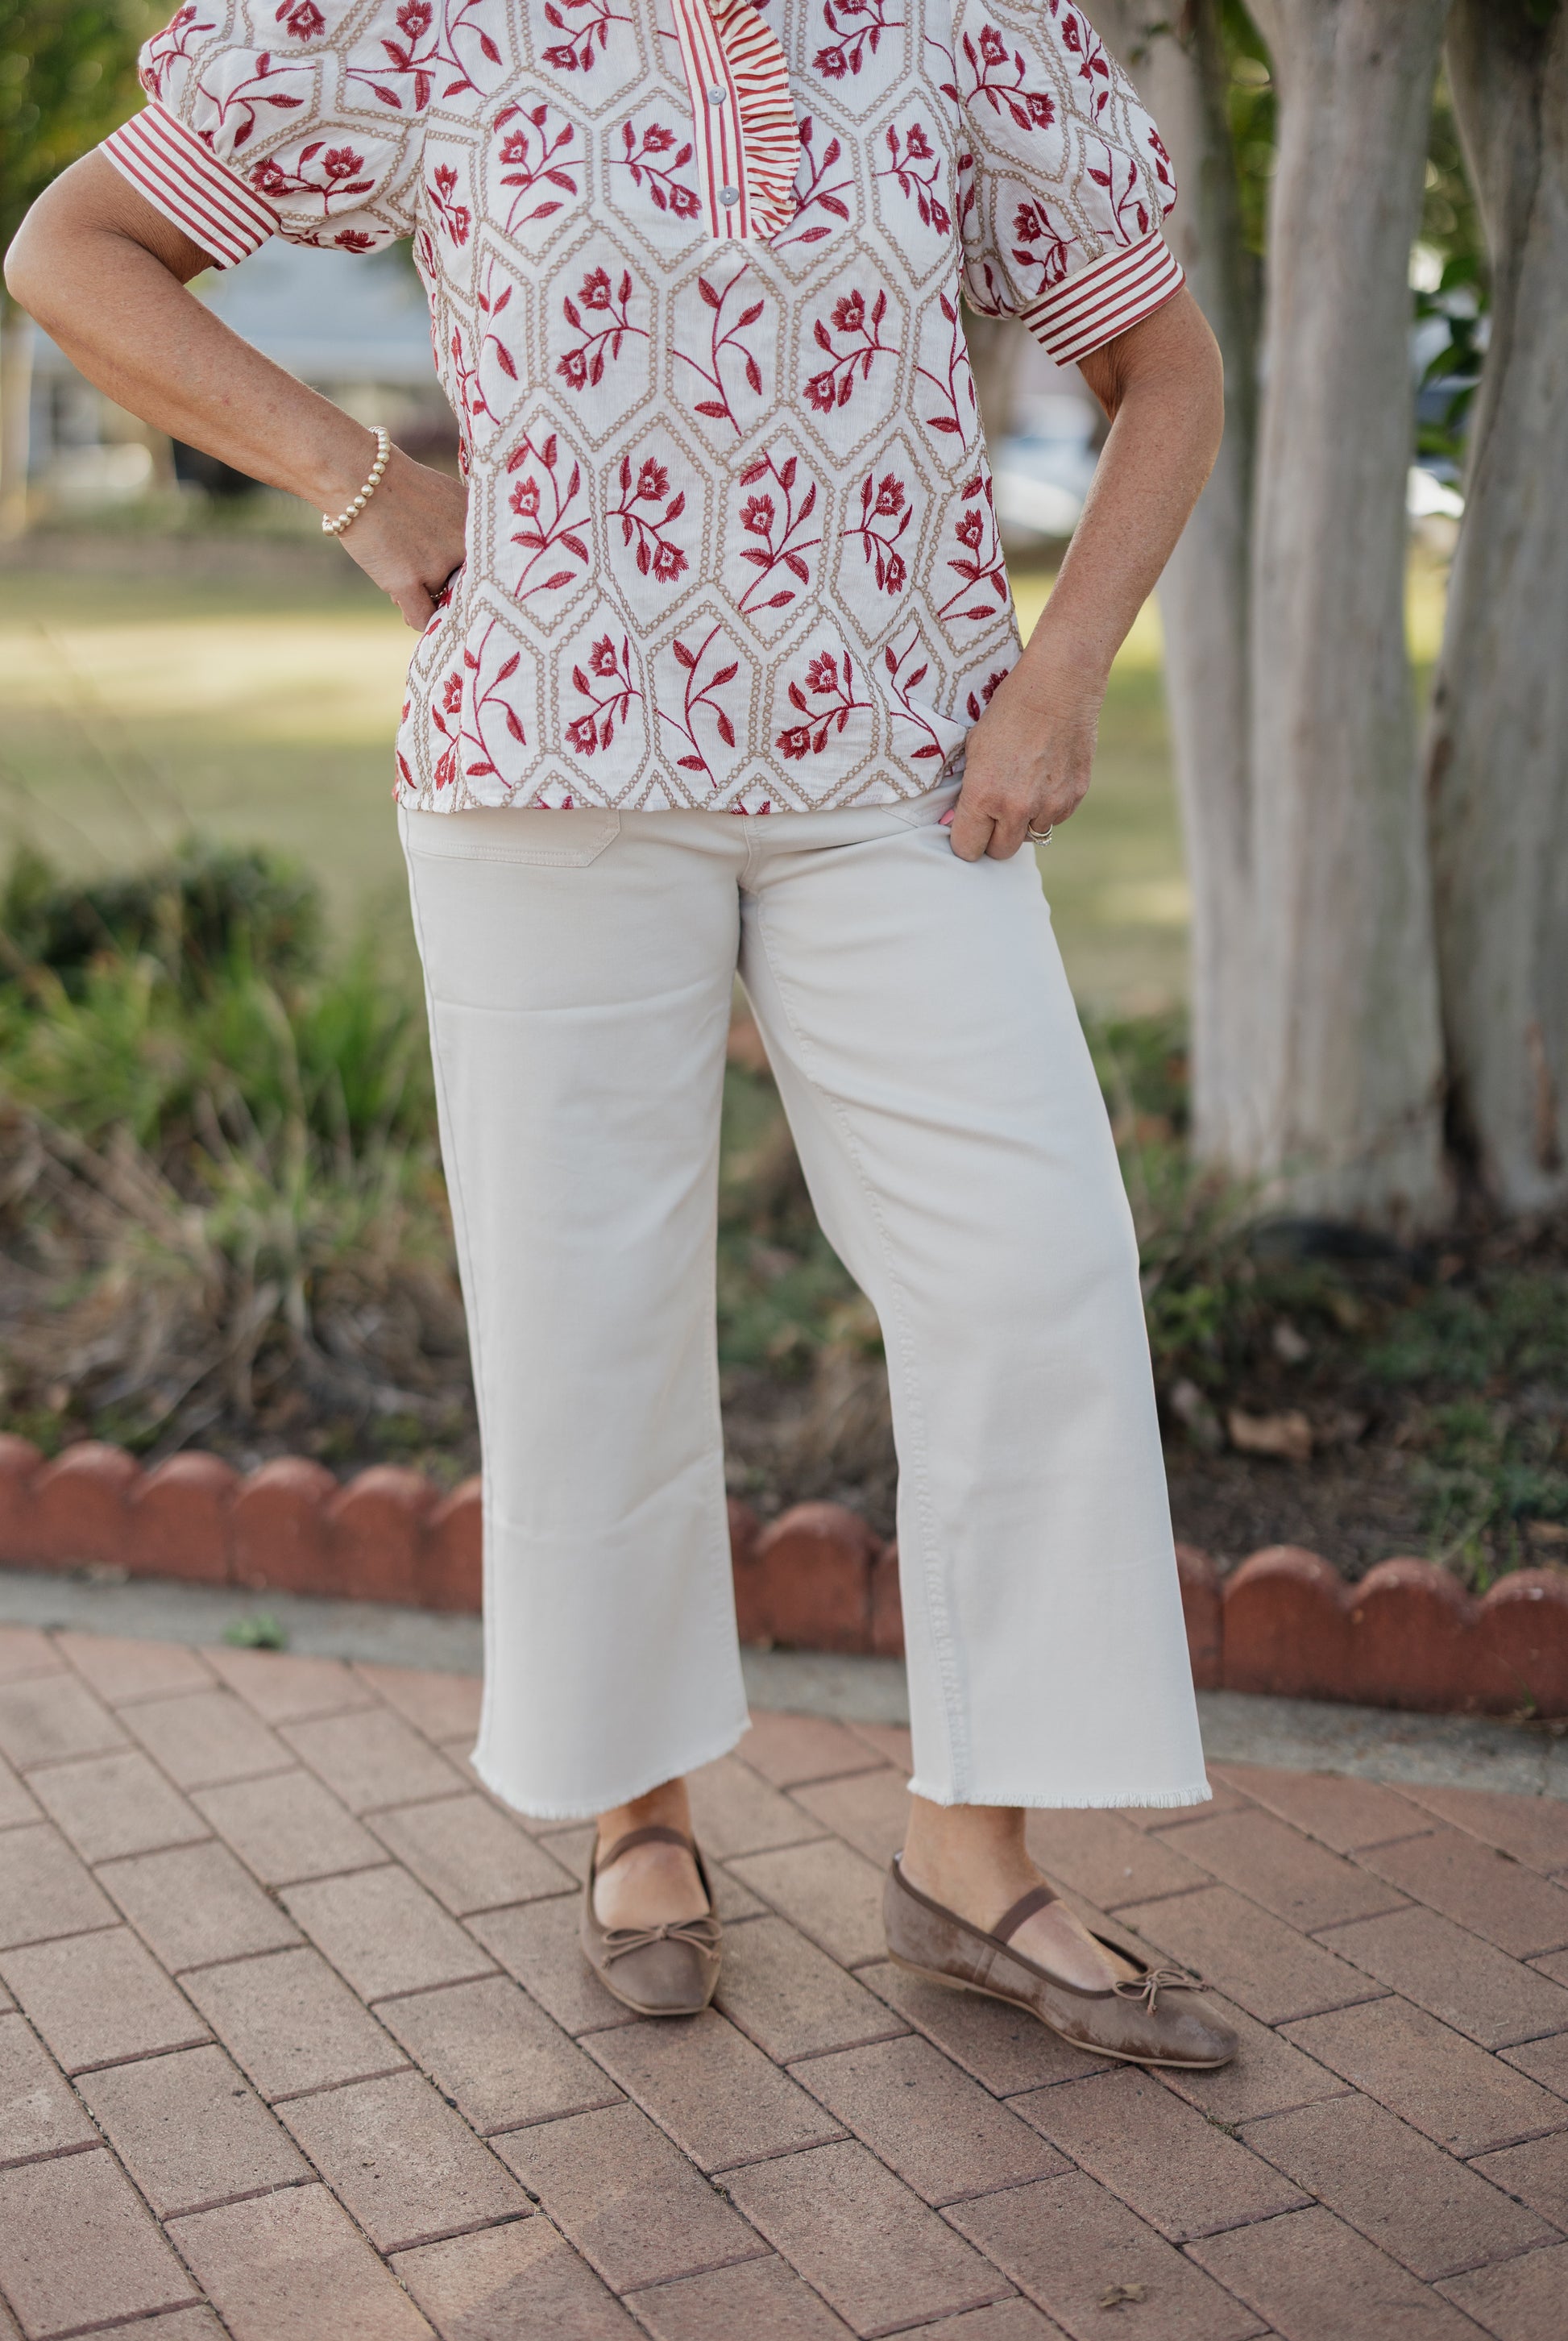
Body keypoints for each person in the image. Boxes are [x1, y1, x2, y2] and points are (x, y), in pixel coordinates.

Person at [8, 0, 1234, 2067]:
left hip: (900, 774)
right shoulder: (422, 15)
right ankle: (639, 1806)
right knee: (589, 1305)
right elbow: (71, 248)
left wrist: (1065, 673)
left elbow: (1168, 366)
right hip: (549, 768)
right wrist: (356, 479)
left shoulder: (963, 21)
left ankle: (967, 1854)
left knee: (1034, 1272)